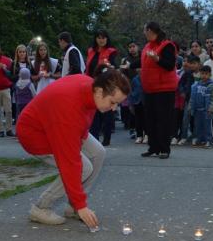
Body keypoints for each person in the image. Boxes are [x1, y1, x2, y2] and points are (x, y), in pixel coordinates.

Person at [16, 65, 130, 227]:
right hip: (35, 134)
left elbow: (83, 117)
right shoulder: (68, 110)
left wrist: (77, 203)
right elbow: (69, 162)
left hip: (59, 123)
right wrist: (81, 205)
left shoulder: (92, 88)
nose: (114, 108)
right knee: (83, 168)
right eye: (113, 102)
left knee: (98, 153)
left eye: (117, 104)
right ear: (99, 91)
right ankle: (41, 208)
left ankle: (72, 206)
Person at [140, 22, 178, 158]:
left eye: (145, 30)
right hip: (150, 89)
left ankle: (164, 148)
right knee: (150, 119)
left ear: (149, 30)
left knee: (163, 119)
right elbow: (143, 63)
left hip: (164, 89)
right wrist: (129, 65)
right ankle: (153, 147)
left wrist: (157, 59)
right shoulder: (147, 46)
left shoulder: (167, 45)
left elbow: (170, 65)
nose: (144, 33)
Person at [86, 29, 118, 146]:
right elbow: (88, 69)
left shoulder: (111, 51)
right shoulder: (90, 51)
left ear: (107, 39)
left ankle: (107, 138)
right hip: (92, 84)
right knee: (94, 112)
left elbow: (115, 65)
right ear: (95, 39)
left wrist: (110, 66)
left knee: (106, 112)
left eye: (103, 37)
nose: (101, 40)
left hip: (106, 85)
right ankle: (94, 138)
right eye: (99, 37)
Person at [189, 65, 213, 148]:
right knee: (198, 125)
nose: (204, 76)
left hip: (207, 110)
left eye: (206, 74)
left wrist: (211, 109)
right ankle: (199, 139)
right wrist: (191, 107)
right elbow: (192, 97)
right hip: (197, 109)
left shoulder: (211, 85)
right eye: (202, 74)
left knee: (207, 126)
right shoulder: (196, 85)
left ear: (210, 75)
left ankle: (208, 140)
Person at [177, 54, 201, 145]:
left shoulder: (203, 73)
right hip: (189, 99)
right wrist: (182, 91)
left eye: (194, 63)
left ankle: (195, 136)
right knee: (185, 119)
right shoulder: (187, 73)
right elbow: (180, 84)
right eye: (191, 63)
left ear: (199, 64)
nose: (192, 65)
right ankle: (183, 136)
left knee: (197, 119)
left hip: (199, 100)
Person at [10, 44, 32, 121]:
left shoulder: (29, 63)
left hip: (28, 89)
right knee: (18, 106)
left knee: (28, 106)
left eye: (23, 52)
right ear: (17, 53)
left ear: (26, 53)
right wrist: (19, 75)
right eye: (20, 52)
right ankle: (18, 122)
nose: (22, 53)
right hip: (18, 89)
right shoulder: (14, 64)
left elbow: (32, 75)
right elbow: (11, 77)